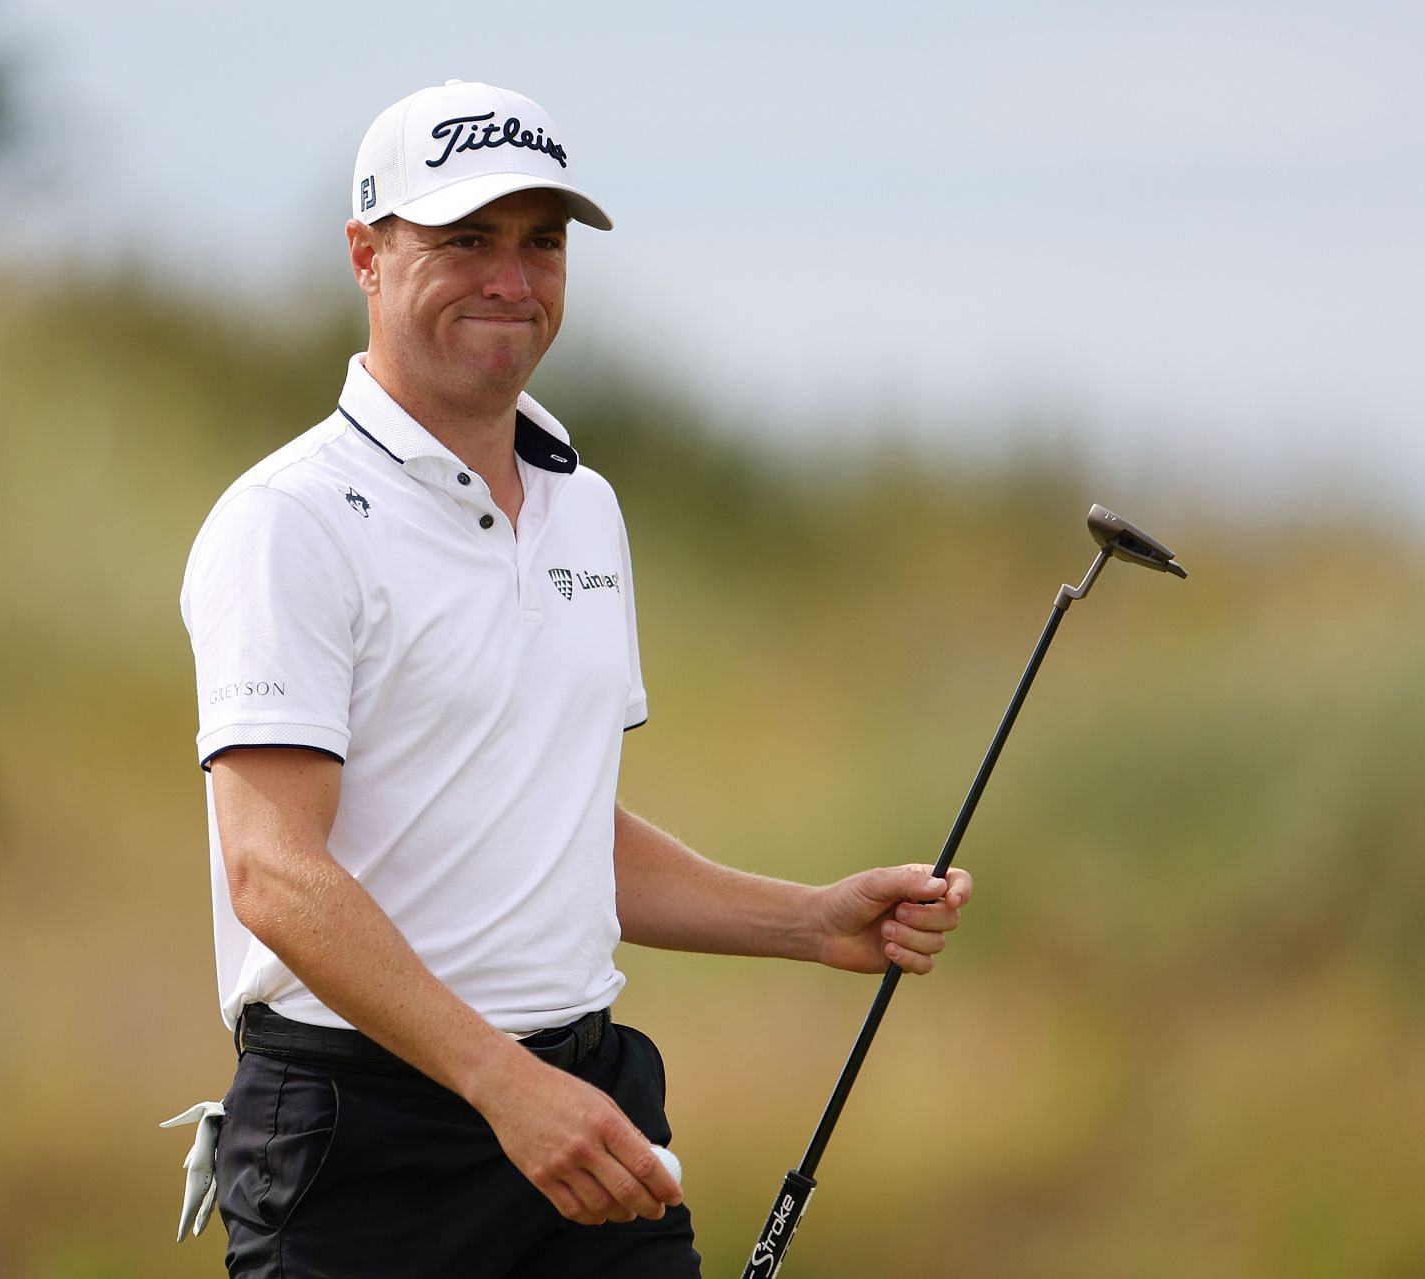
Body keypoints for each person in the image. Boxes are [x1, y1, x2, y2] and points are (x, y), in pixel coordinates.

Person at [176, 79, 973, 1278]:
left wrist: (807, 921)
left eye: (541, 241)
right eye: (466, 241)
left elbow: (546, 826)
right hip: (362, 1144)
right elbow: (275, 873)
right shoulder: (289, 519)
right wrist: (508, 1087)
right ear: (368, 256)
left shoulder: (584, 508)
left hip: (581, 1107)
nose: (513, 277)